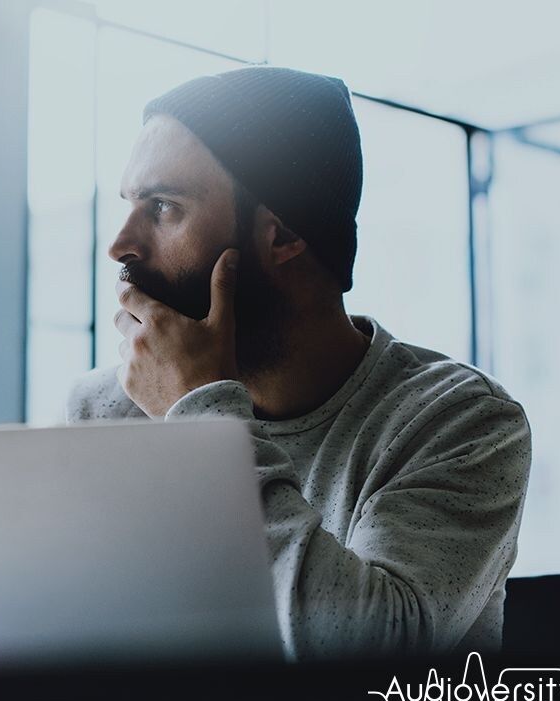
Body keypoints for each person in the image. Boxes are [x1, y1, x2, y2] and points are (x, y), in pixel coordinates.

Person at [66, 66, 532, 660]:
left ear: (282, 234)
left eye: (162, 207)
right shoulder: (106, 410)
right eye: (130, 204)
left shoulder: (462, 423)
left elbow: (367, 662)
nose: (120, 245)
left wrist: (202, 426)